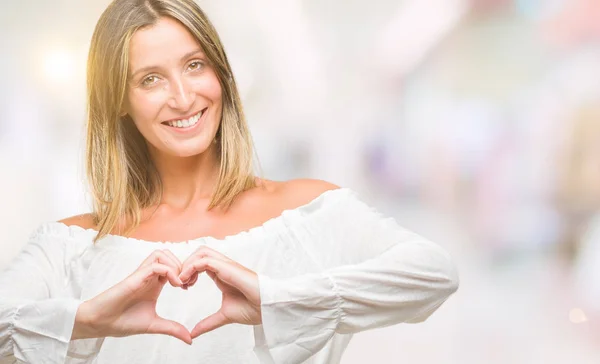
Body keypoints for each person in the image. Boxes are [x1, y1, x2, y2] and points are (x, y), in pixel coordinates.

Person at [0, 0, 459, 363]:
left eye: (195, 65)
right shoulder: (69, 246)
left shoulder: (306, 213)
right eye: (151, 78)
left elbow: (433, 274)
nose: (183, 97)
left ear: (221, 72)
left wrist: (281, 301)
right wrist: (84, 320)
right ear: (120, 99)